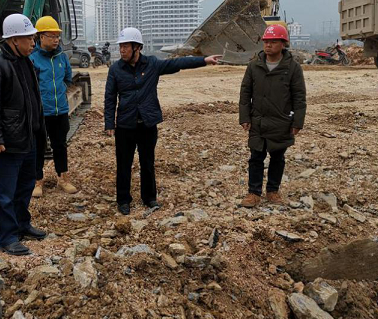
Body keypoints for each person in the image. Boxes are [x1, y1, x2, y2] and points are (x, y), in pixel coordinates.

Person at [104, 27, 221, 215]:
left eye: (126, 46)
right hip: (125, 125)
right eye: (121, 46)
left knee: (147, 162)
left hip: (147, 124)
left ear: (137, 47)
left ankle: (149, 198)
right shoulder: (115, 69)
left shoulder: (152, 64)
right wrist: (109, 123)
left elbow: (177, 63)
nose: (122, 50)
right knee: (123, 164)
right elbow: (110, 97)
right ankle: (123, 200)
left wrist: (203, 61)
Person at [0, 13, 47, 256]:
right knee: (5, 192)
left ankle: (21, 224)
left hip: (29, 137)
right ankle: (6, 237)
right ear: (14, 39)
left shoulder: (25, 61)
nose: (33, 43)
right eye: (29, 38)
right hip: (8, 140)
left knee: (26, 185)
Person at [238, 24, 306, 207]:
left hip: (281, 121)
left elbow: (299, 97)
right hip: (258, 121)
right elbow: (245, 94)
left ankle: (273, 191)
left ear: (283, 44)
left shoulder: (292, 68)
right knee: (256, 157)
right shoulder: (254, 66)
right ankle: (253, 193)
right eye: (266, 42)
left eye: (273, 42)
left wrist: (297, 122)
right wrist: (245, 118)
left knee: (277, 158)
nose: (268, 45)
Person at [29, 16, 78, 197]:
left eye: (57, 36)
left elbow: (68, 78)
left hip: (60, 111)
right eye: (52, 36)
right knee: (38, 146)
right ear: (41, 37)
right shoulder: (32, 59)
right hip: (41, 112)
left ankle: (63, 178)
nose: (56, 39)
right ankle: (37, 181)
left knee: (60, 145)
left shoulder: (61, 57)